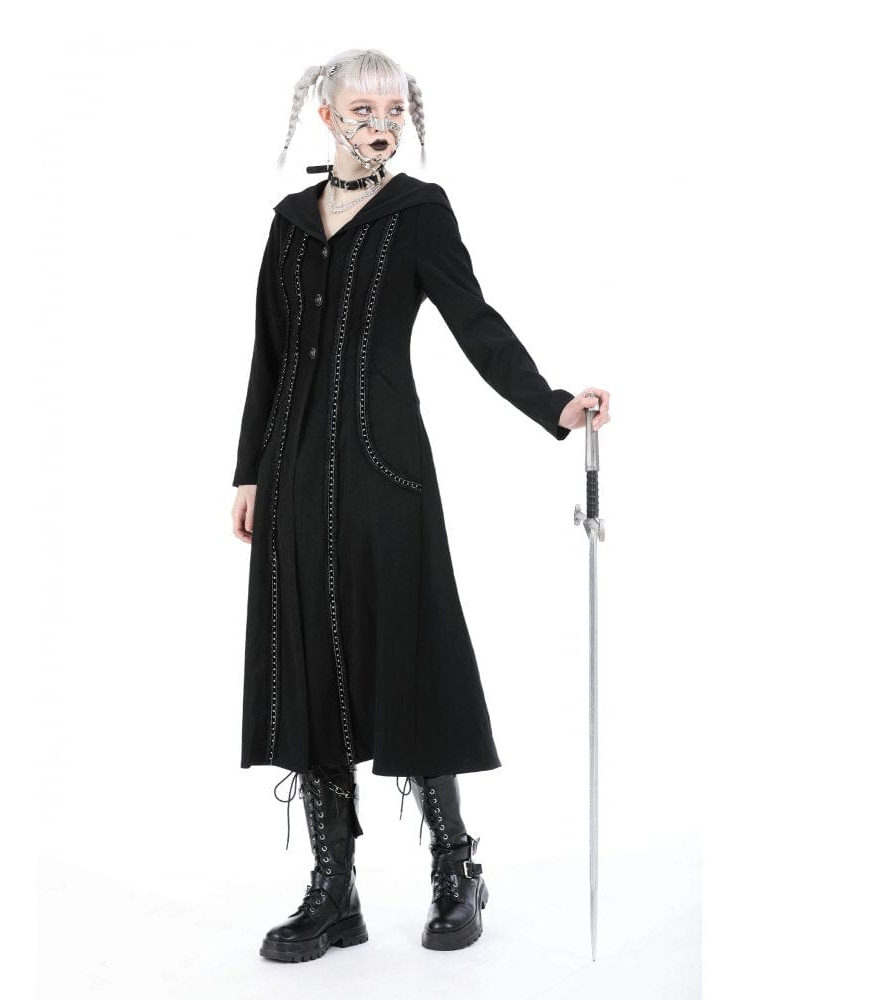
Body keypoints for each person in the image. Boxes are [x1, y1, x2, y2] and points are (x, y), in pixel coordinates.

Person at [230, 48, 611, 962]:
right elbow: (268, 355)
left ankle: (454, 864)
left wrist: (553, 405)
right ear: (328, 118)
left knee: (413, 654)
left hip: (385, 472)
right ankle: (334, 889)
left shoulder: (418, 212)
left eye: (394, 109)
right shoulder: (289, 224)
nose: (381, 123)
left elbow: (475, 323)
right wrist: (248, 473)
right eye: (363, 109)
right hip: (293, 477)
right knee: (308, 666)